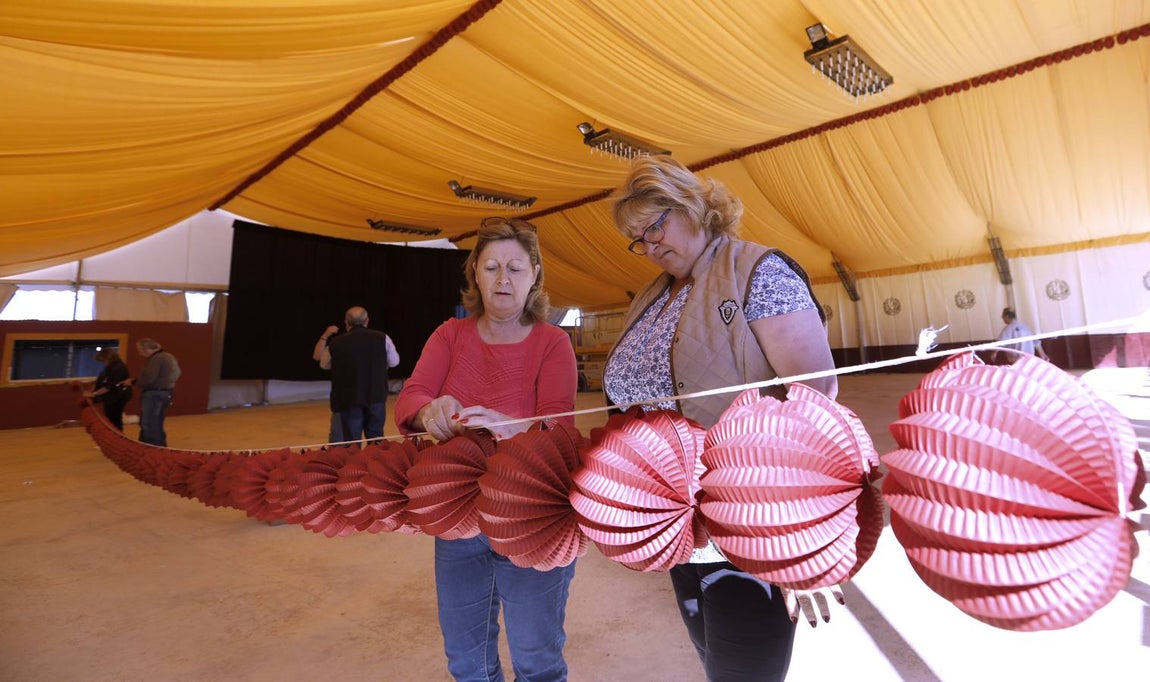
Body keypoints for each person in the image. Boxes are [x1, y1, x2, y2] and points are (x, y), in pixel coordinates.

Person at [603, 155, 841, 682]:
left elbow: (815, 399)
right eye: (638, 238)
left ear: (691, 205)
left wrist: (804, 535)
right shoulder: (652, 296)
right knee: (716, 661)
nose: (649, 245)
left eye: (655, 224)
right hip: (682, 522)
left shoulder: (757, 270)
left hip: (753, 516)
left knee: (743, 671)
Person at [395, 217, 578, 682]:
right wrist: (427, 411)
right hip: (459, 518)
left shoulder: (553, 342)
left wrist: (511, 426)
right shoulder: (449, 336)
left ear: (535, 274)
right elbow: (412, 396)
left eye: (515, 268)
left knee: (537, 659)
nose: (503, 279)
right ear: (474, 272)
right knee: (465, 658)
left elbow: (558, 424)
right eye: (492, 266)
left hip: (532, 518)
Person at [315, 306, 399, 443]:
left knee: (351, 443)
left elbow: (324, 364)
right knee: (376, 439)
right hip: (375, 395)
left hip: (348, 398)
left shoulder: (336, 343)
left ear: (346, 323)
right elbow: (395, 362)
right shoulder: (382, 338)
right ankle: (376, 463)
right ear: (367, 321)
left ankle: (353, 464)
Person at [129, 338, 180, 447]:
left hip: (154, 394)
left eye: (139, 349)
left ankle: (152, 449)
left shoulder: (157, 359)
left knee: (148, 423)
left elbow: (149, 378)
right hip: (165, 393)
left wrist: (134, 381)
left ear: (146, 349)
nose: (139, 352)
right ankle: (157, 447)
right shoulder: (169, 356)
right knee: (156, 422)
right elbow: (177, 374)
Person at [83, 347, 132, 431]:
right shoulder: (109, 367)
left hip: (118, 396)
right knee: (109, 417)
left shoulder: (118, 368)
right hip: (111, 396)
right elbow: (100, 380)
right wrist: (92, 390)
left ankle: (117, 438)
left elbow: (109, 386)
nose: (103, 363)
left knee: (114, 418)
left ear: (108, 358)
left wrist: (94, 394)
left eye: (103, 360)